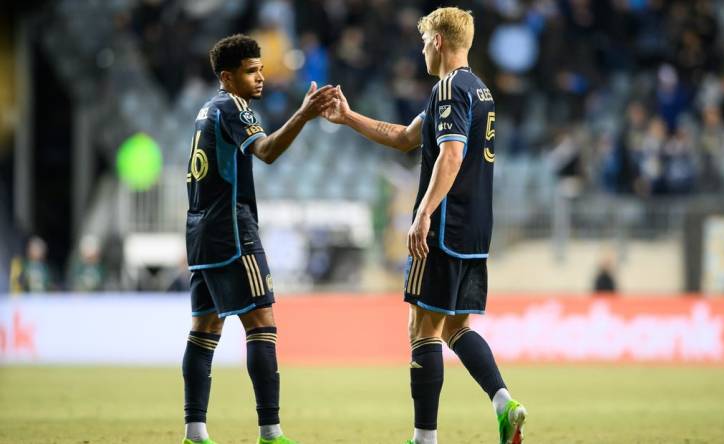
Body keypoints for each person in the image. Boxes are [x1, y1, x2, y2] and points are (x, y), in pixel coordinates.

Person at [323, 8, 526, 444]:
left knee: (422, 329)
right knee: (455, 328)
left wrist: (423, 212)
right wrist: (349, 116)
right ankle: (503, 402)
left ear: (437, 41)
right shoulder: (478, 90)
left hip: (445, 226)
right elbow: (405, 137)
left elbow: (451, 154)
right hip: (474, 230)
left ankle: (424, 438)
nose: (420, 50)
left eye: (423, 41)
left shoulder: (449, 87)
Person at [181, 34, 335, 444]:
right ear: (227, 78)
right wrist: (303, 115)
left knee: (205, 327)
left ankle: (194, 432)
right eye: (251, 72)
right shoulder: (233, 107)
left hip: (199, 232)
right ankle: (271, 432)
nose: (261, 78)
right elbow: (265, 151)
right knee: (261, 322)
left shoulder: (206, 110)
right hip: (231, 230)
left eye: (261, 69)